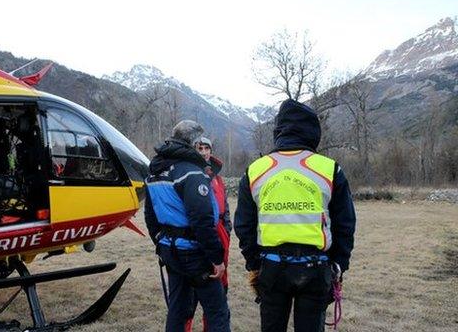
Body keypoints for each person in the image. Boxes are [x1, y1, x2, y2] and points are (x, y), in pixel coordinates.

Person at [234, 99, 356, 332]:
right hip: (316, 267)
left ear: (279, 130)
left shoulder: (255, 170)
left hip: (271, 267)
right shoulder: (329, 169)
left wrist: (253, 263)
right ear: (312, 131)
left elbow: (244, 225)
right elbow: (345, 223)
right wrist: (339, 265)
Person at [144, 120, 231, 332]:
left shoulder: (155, 170)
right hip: (194, 253)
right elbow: (201, 220)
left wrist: (160, 242)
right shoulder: (191, 172)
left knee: (178, 310)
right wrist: (216, 259)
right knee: (217, 311)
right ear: (192, 142)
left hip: (170, 250)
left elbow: (150, 215)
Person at [185, 137, 232, 332]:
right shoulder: (188, 174)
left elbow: (226, 209)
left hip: (219, 235)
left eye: (206, 148)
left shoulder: (219, 179)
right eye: (199, 148)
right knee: (190, 296)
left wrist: (227, 229)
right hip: (196, 236)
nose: (203, 152)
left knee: (219, 290)